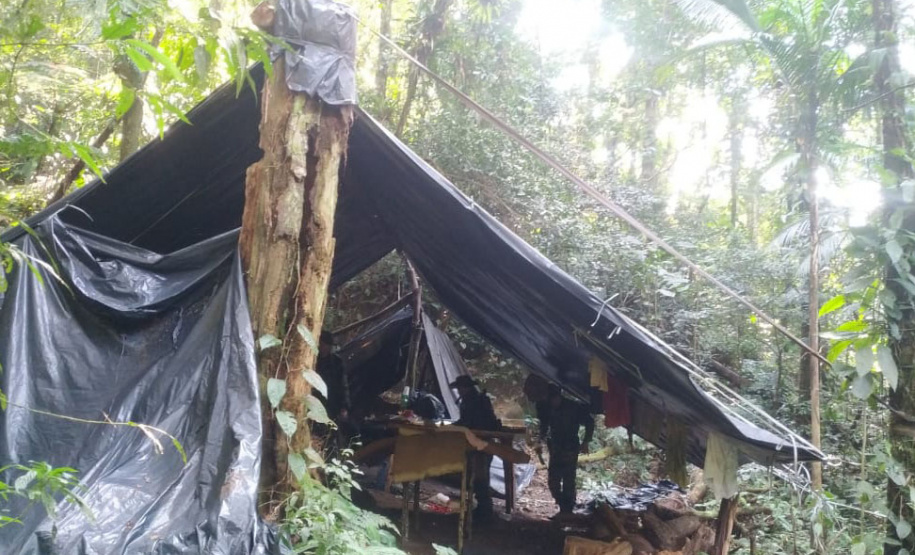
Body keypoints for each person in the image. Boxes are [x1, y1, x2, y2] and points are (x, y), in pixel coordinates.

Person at [528, 379, 594, 517]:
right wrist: (540, 440)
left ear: (559, 397)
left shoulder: (573, 408)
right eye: (550, 400)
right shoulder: (546, 407)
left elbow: (589, 422)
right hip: (556, 447)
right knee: (553, 481)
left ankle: (567, 511)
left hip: (570, 447)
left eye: (554, 399)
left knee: (569, 480)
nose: (553, 402)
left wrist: (586, 441)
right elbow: (544, 425)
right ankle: (563, 505)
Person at [450, 375, 501, 520]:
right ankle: (481, 508)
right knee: (475, 476)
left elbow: (484, 422)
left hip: (482, 443)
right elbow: (464, 421)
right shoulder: (466, 402)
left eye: (461, 388)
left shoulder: (480, 401)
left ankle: (485, 511)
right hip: (472, 442)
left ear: (467, 387)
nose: (459, 391)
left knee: (481, 476)